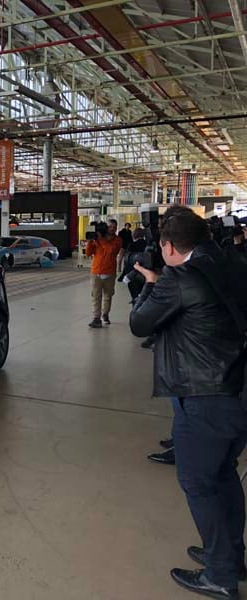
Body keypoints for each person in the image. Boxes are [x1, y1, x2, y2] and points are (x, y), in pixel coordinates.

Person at [130, 208, 247, 599]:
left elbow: (138, 324)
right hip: (237, 387)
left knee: (197, 482)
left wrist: (150, 282)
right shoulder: (228, 262)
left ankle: (220, 575)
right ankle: (232, 556)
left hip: (205, 395)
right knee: (223, 474)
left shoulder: (178, 279)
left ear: (167, 246)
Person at [85, 220, 123, 328]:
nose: (112, 228)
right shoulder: (98, 239)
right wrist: (90, 241)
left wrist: (100, 239)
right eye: (110, 226)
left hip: (110, 272)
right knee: (96, 296)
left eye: (114, 227)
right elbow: (88, 253)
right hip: (96, 272)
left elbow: (110, 251)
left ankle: (105, 314)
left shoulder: (118, 240)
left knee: (108, 295)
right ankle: (96, 318)